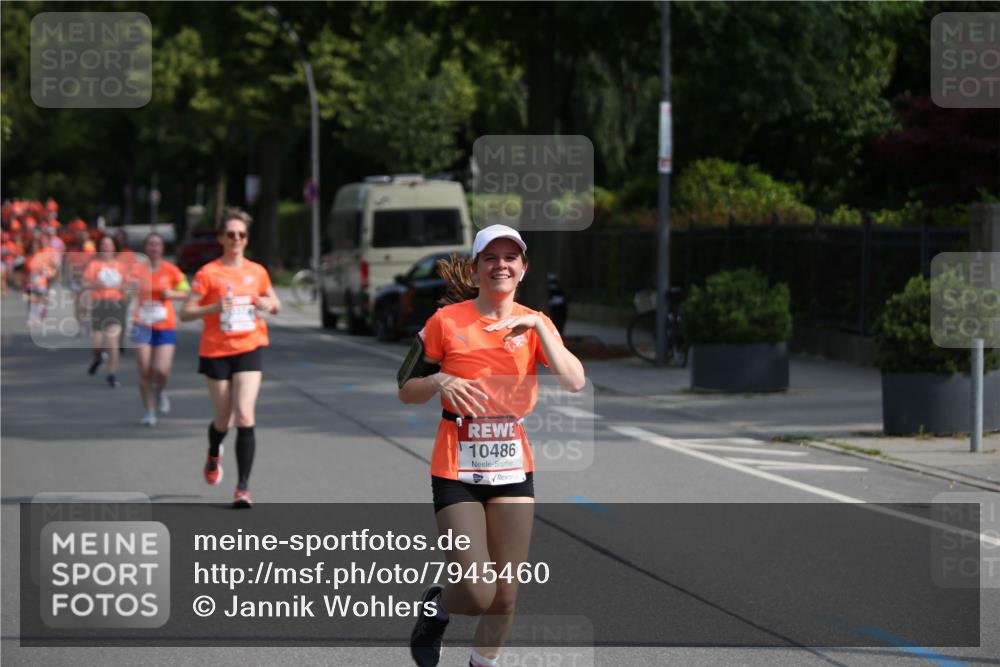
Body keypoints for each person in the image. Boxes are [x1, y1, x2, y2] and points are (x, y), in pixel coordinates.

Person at [398, 225, 586, 667]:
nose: (500, 265)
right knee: (479, 590)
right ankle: (438, 606)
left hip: (512, 468)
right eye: (491, 257)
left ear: (522, 269)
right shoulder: (446, 322)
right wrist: (439, 379)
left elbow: (575, 381)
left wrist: (539, 324)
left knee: (505, 595)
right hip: (456, 467)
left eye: (510, 258)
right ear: (476, 267)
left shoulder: (535, 323)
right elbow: (405, 388)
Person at [180, 207, 280, 508]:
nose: (236, 239)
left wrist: (267, 304)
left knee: (245, 415)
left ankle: (243, 488)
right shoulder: (208, 273)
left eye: (242, 234)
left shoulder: (257, 271)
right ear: (221, 238)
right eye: (231, 234)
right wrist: (212, 309)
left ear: (246, 239)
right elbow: (185, 312)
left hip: (249, 346)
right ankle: (213, 452)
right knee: (223, 418)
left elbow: (275, 303)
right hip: (216, 350)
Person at [131, 233, 190, 426]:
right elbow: (125, 290)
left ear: (163, 248)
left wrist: (171, 293)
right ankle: (149, 411)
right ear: (145, 248)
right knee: (145, 370)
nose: (154, 247)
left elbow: (187, 292)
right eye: (150, 244)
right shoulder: (137, 270)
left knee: (161, 370)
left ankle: (160, 390)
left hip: (165, 325)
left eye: (157, 244)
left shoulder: (171, 270)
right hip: (142, 325)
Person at [82, 235, 129, 387]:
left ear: (114, 247)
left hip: (116, 305)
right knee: (97, 344)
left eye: (109, 244)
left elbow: (129, 285)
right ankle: (97, 358)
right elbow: (84, 283)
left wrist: (127, 296)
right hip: (99, 305)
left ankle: (111, 374)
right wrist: (95, 284)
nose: (106, 247)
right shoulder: (94, 265)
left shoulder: (121, 266)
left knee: (112, 341)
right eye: (103, 244)